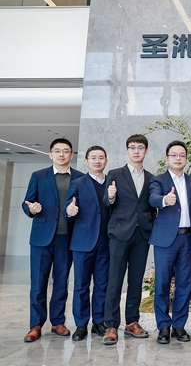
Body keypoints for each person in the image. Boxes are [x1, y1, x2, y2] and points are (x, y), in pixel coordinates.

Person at [22, 138, 84, 342]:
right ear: (50, 154)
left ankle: (58, 322)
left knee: (61, 281)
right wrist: (31, 209)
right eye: (57, 151)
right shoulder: (38, 176)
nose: (61, 154)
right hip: (41, 238)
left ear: (72, 155)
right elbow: (27, 202)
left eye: (66, 151)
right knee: (38, 283)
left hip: (67, 238)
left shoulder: (80, 178)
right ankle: (36, 325)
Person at [102, 134, 156, 345]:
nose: (136, 151)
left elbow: (151, 207)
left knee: (135, 281)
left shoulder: (151, 178)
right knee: (114, 280)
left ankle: (132, 322)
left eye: (140, 147)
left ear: (146, 151)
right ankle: (111, 325)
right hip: (119, 235)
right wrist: (111, 196)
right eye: (132, 147)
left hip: (141, 235)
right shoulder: (115, 174)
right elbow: (106, 202)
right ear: (127, 150)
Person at [149, 140, 191, 344]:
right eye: (174, 155)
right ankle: (163, 326)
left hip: (187, 239)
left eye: (182, 155)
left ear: (186, 159)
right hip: (165, 240)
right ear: (167, 158)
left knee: (184, 283)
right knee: (162, 283)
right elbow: (153, 198)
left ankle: (179, 325)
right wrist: (164, 200)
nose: (178, 158)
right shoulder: (158, 180)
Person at [64, 146, 111, 341]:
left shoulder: (112, 183)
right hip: (83, 242)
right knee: (81, 286)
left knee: (102, 284)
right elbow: (67, 208)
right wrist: (69, 211)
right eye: (93, 158)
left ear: (106, 161)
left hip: (106, 242)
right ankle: (81, 324)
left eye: (101, 158)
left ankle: (99, 322)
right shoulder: (77, 183)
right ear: (86, 161)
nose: (97, 161)